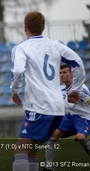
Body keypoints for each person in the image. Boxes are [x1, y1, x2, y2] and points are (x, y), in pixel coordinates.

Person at [10, 11, 86, 171]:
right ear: (43, 28)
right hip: (58, 109)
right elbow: (78, 63)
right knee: (32, 150)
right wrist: (75, 90)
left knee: (21, 149)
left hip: (39, 106)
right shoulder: (55, 45)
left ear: (25, 28)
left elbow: (17, 70)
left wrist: (15, 90)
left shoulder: (21, 48)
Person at [44, 64, 90, 170]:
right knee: (53, 135)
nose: (62, 75)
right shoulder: (61, 89)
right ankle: (48, 167)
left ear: (71, 74)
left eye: (65, 72)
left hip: (84, 117)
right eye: (60, 73)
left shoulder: (80, 88)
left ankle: (79, 133)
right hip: (70, 116)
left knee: (81, 138)